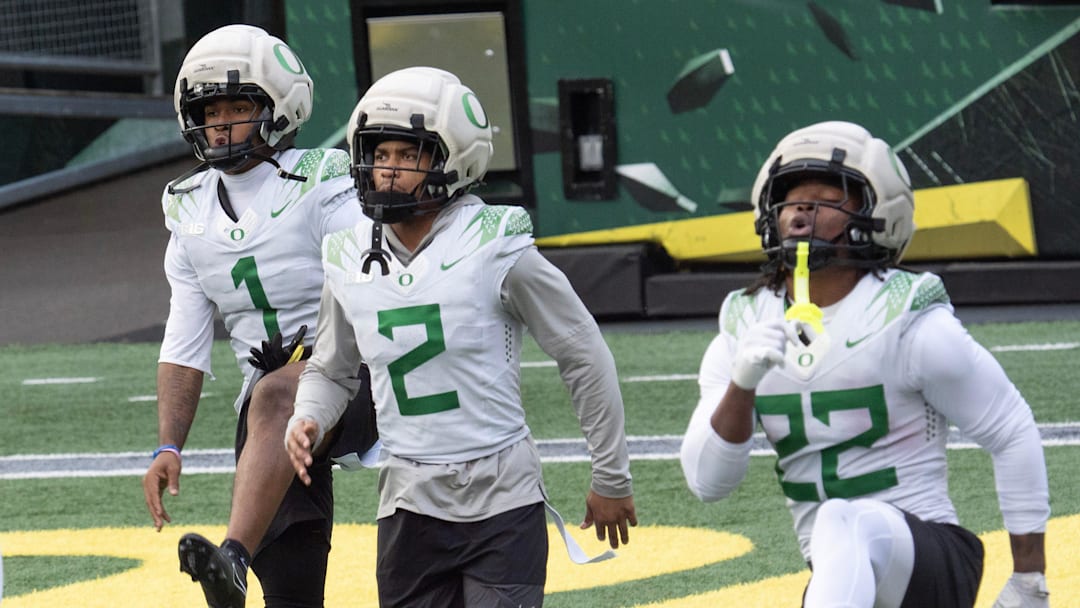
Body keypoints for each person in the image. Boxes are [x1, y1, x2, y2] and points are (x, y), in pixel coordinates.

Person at [284, 66, 637, 607]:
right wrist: (308, 415)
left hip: (501, 498)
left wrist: (610, 474)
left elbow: (582, 352)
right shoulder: (348, 252)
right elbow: (330, 368)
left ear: (456, 158)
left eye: (408, 156)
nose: (389, 171)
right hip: (406, 501)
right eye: (381, 155)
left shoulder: (494, 244)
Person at [679, 121, 1051, 608]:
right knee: (839, 529)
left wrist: (1029, 583)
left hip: (931, 559)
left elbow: (1011, 428)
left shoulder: (906, 319)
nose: (803, 210)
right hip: (842, 574)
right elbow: (708, 483)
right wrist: (742, 384)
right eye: (792, 197)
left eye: (829, 196)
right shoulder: (745, 324)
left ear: (879, 214)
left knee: (841, 518)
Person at [140, 24, 377, 608]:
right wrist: (168, 446)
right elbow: (184, 341)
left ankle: (232, 559)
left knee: (274, 394)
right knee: (292, 585)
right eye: (208, 109)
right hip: (272, 403)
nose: (219, 122)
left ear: (280, 107)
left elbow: (373, 287)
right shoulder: (188, 210)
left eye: (236, 106)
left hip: (363, 371)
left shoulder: (324, 183)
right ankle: (254, 574)